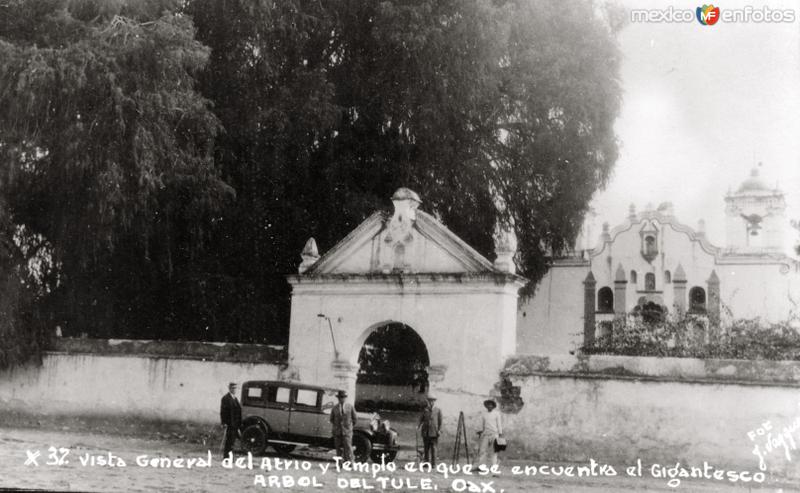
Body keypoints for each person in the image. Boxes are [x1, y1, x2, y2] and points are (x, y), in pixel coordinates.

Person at [476, 399, 503, 472]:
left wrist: (500, 434)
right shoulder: (484, 414)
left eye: (491, 405)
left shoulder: (496, 414)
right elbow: (482, 424)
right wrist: (480, 431)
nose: (489, 406)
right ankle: (481, 466)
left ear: (493, 406)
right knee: (482, 450)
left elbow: (499, 424)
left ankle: (493, 467)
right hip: (486, 434)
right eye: (488, 405)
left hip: (494, 434)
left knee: (494, 451)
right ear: (486, 406)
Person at [330, 390, 357, 462]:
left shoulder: (350, 407)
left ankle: (351, 463)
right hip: (337, 432)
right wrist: (337, 427)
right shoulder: (335, 408)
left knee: (348, 448)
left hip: (347, 432)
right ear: (338, 398)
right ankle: (339, 464)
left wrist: (349, 427)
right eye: (340, 397)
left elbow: (355, 419)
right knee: (338, 449)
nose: (341, 399)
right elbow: (332, 419)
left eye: (343, 397)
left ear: (345, 398)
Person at [417, 393, 442, 466]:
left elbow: (440, 421)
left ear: (434, 401)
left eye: (432, 401)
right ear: (428, 401)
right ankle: (426, 463)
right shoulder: (425, 410)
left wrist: (439, 430)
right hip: (426, 432)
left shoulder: (438, 410)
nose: (431, 402)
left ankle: (434, 464)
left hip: (434, 432)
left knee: (434, 448)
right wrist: (418, 426)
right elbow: (420, 419)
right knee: (426, 448)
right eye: (430, 401)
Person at [220, 382, 242, 457]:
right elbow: (223, 412)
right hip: (229, 423)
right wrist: (224, 423)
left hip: (235, 424)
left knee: (232, 442)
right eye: (233, 388)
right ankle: (226, 458)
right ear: (229, 388)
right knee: (229, 441)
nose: (234, 390)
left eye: (235, 388)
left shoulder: (235, 398)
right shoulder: (225, 398)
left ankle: (230, 457)